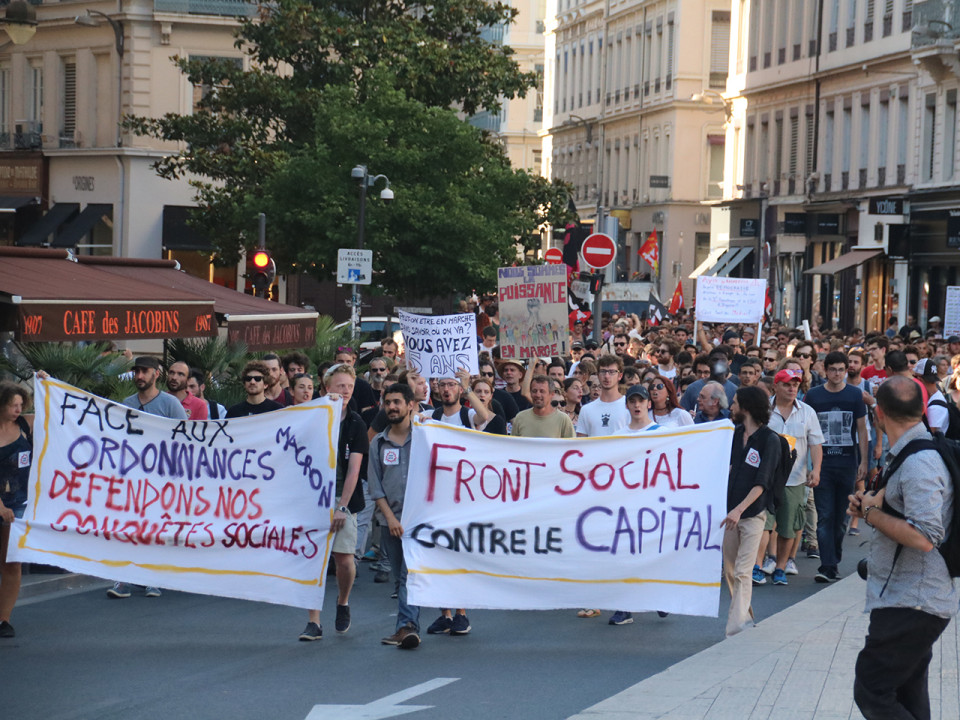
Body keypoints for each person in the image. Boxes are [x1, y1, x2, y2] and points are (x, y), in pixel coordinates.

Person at [847, 376, 956, 720]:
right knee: (908, 695)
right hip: (907, 598)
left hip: (914, 601)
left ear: (878, 413)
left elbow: (925, 536)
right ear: (922, 410)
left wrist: (872, 513)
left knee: (872, 689)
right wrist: (870, 506)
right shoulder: (908, 453)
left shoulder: (919, 462)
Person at [109, 357, 187, 600]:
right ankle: (124, 579)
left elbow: (184, 440)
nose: (139, 376)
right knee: (129, 527)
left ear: (156, 374)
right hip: (132, 477)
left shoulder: (170, 404)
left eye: (144, 371)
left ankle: (153, 578)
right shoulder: (127, 404)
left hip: (161, 478)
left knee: (155, 528)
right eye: (136, 371)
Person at [300, 364, 368, 641]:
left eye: (350, 387)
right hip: (312, 498)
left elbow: (354, 469)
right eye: (341, 386)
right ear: (326, 388)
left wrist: (342, 506)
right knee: (312, 560)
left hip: (343, 498)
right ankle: (313, 621)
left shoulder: (356, 423)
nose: (346, 391)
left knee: (344, 560)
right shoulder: (310, 418)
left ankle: (342, 601)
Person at [803, 351, 868, 583]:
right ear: (825, 370)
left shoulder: (855, 395)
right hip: (823, 464)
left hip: (847, 463)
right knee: (825, 515)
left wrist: (864, 461)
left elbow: (861, 429)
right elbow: (807, 430)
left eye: (842, 369)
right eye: (833, 369)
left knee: (840, 518)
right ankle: (827, 565)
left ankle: (834, 560)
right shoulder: (814, 396)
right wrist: (809, 464)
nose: (838, 373)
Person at [722, 385, 781, 638]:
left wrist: (739, 509)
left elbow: (763, 482)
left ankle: (734, 630)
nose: (731, 406)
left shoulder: (770, 440)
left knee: (745, 571)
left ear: (746, 407)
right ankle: (745, 617)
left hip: (753, 514)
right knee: (732, 571)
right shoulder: (733, 434)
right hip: (729, 514)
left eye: (735, 402)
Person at [369, 383, 421, 650]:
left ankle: (407, 626)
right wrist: (390, 519)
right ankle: (409, 625)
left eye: (397, 402)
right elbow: (376, 487)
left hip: (422, 522)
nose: (391, 407)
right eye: (388, 402)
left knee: (411, 575)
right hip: (392, 522)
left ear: (410, 404)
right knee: (402, 575)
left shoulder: (426, 436)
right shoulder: (378, 443)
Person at [763, 369, 823, 586]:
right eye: (787, 384)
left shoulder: (807, 412)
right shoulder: (764, 409)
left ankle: (781, 567)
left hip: (795, 478)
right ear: (776, 386)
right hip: (765, 478)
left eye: (795, 385)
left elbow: (816, 443)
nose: (792, 388)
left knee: (789, 526)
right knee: (764, 525)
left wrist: (816, 470)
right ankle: (758, 566)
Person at [0, 382, 32, 638]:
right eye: (13, 405)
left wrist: (45, 381)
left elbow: (56, 413)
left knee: (11, 561)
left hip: (19, 504)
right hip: (1, 503)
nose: (18, 409)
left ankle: (3, 619)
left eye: (21, 405)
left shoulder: (25, 425)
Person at [511, 375, 575, 438]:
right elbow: (512, 445)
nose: (538, 395)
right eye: (534, 391)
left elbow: (571, 446)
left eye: (542, 391)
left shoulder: (563, 420)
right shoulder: (520, 418)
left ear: (552, 394)